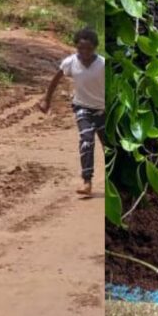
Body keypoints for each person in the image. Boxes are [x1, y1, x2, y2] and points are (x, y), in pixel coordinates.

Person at [41, 27, 104, 197]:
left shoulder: (103, 65)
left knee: (110, 147)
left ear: (95, 47)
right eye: (80, 48)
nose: (84, 52)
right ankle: (87, 181)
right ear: (76, 47)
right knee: (86, 140)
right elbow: (56, 80)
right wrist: (46, 100)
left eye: (88, 49)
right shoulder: (70, 62)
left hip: (103, 110)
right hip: (82, 107)